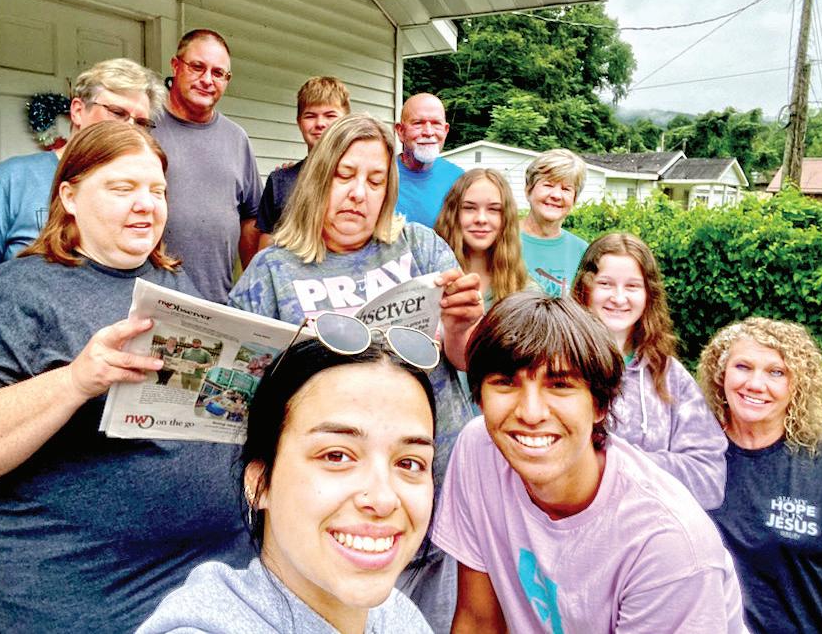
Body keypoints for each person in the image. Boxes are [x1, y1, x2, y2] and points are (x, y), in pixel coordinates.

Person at [0, 121, 252, 634]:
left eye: (157, 190)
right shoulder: (18, 293)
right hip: (65, 589)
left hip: (199, 570)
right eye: (122, 188)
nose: (146, 205)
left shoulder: (172, 279)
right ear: (69, 197)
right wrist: (75, 381)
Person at [228, 113, 483, 630]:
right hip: (334, 509)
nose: (358, 194)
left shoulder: (419, 247)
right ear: (319, 178)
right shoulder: (273, 270)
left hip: (433, 493)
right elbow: (243, 394)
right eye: (344, 176)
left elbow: (467, 361)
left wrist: (462, 326)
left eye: (375, 180)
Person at [432, 293, 747, 633]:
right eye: (506, 383)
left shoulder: (667, 544)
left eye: (560, 385)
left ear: (600, 405)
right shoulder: (479, 449)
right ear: (479, 397)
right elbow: (478, 620)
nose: (531, 413)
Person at [138, 333, 437, 634]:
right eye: (336, 456)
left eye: (410, 463)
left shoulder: (398, 617)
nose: (383, 499)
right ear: (259, 482)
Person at [700, 317, 822, 634]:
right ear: (721, 373)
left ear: (797, 384)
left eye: (776, 372)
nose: (755, 384)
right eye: (743, 366)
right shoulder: (693, 456)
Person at [571, 232, 726, 509]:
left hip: (649, 526)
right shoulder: (557, 366)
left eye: (632, 286)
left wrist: (615, 464)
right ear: (585, 288)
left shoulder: (668, 374)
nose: (619, 298)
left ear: (648, 295)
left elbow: (708, 480)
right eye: (605, 284)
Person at [0, 57, 166, 267]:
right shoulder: (12, 179)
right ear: (78, 111)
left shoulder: (148, 190)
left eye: (141, 122)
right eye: (117, 113)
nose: (130, 128)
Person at [156, 29, 262, 302]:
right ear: (175, 65)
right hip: (153, 299)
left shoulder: (236, 138)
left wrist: (249, 287)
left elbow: (251, 217)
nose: (206, 80)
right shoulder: (145, 127)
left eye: (218, 73)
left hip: (217, 300)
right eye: (197, 67)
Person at [256, 76, 351, 250]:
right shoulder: (279, 182)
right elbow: (265, 251)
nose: (320, 123)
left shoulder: (362, 182)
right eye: (310, 116)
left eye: (330, 115)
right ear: (299, 122)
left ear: (346, 121)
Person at [434, 168, 535, 311]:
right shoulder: (428, 277)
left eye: (493, 209)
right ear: (453, 214)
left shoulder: (525, 290)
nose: (481, 219)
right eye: (469, 208)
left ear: (506, 218)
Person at [518, 149, 589, 296]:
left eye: (566, 189)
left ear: (574, 199)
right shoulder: (500, 239)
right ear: (528, 190)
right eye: (548, 185)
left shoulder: (582, 251)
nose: (556, 195)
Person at [394, 93, 463, 228]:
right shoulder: (380, 177)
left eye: (436, 124)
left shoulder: (459, 180)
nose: (428, 132)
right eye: (418, 123)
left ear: (446, 130)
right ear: (401, 131)